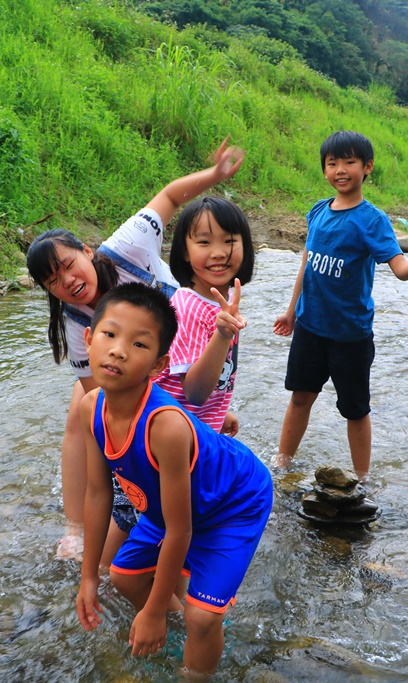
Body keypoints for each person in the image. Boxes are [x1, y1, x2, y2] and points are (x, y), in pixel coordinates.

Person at [26, 138, 245, 562]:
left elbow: (167, 196)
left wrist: (214, 176)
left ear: (87, 252)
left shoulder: (126, 247)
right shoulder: (75, 323)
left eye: (70, 265)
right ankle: (79, 527)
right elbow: (105, 394)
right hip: (148, 380)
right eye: (54, 281)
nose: (68, 281)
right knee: (82, 401)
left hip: (192, 345)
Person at [76, 283, 272, 678]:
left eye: (139, 344)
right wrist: (87, 576)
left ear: (158, 366)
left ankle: (201, 641)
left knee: (202, 618)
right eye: (109, 335)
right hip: (175, 506)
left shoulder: (164, 426)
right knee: (124, 578)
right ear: (88, 339)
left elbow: (181, 531)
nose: (118, 350)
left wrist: (152, 611)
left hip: (234, 500)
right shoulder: (90, 407)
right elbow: (98, 494)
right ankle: (191, 624)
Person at [272, 130, 408, 480]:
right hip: (309, 326)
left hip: (349, 334)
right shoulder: (318, 211)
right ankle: (282, 463)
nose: (340, 169)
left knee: (355, 410)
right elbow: (306, 265)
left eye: (349, 162)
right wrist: (291, 311)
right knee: (300, 397)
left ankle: (362, 479)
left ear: (366, 168)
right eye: (332, 163)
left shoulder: (372, 220)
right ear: (324, 169)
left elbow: (399, 269)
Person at [153, 196, 255, 437]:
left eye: (229, 241)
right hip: (169, 435)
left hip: (196, 426)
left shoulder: (224, 297)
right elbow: (195, 393)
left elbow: (208, 383)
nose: (218, 253)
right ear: (185, 253)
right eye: (204, 242)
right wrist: (222, 335)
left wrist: (218, 412)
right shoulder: (187, 306)